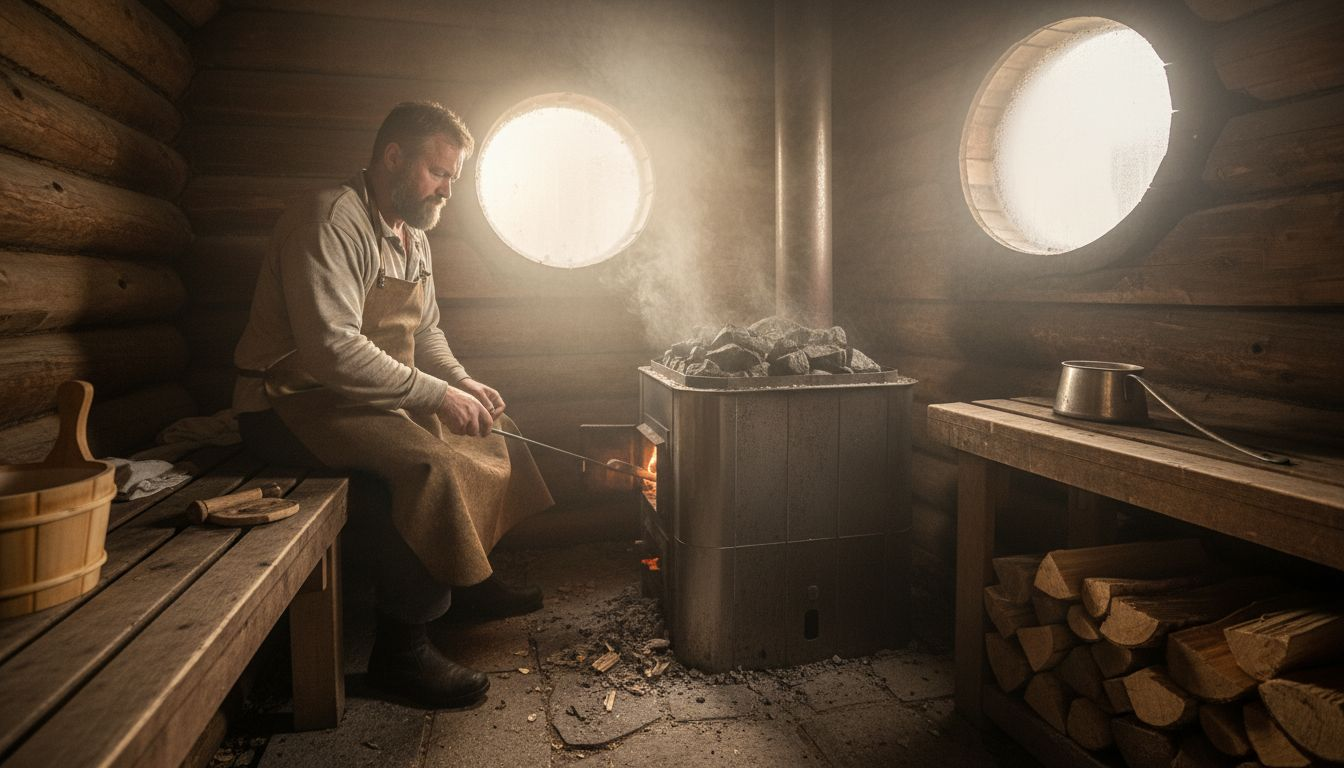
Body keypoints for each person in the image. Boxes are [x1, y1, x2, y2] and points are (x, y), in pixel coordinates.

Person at [232, 101, 554, 708]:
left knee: (491, 427)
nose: (446, 190)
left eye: (454, 178)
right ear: (393, 157)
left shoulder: (412, 231)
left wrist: (462, 382)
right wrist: (436, 395)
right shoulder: (330, 220)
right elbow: (330, 350)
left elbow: (424, 329)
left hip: (369, 394)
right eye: (439, 172)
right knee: (426, 466)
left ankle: (472, 577)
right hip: (292, 401)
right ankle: (401, 654)